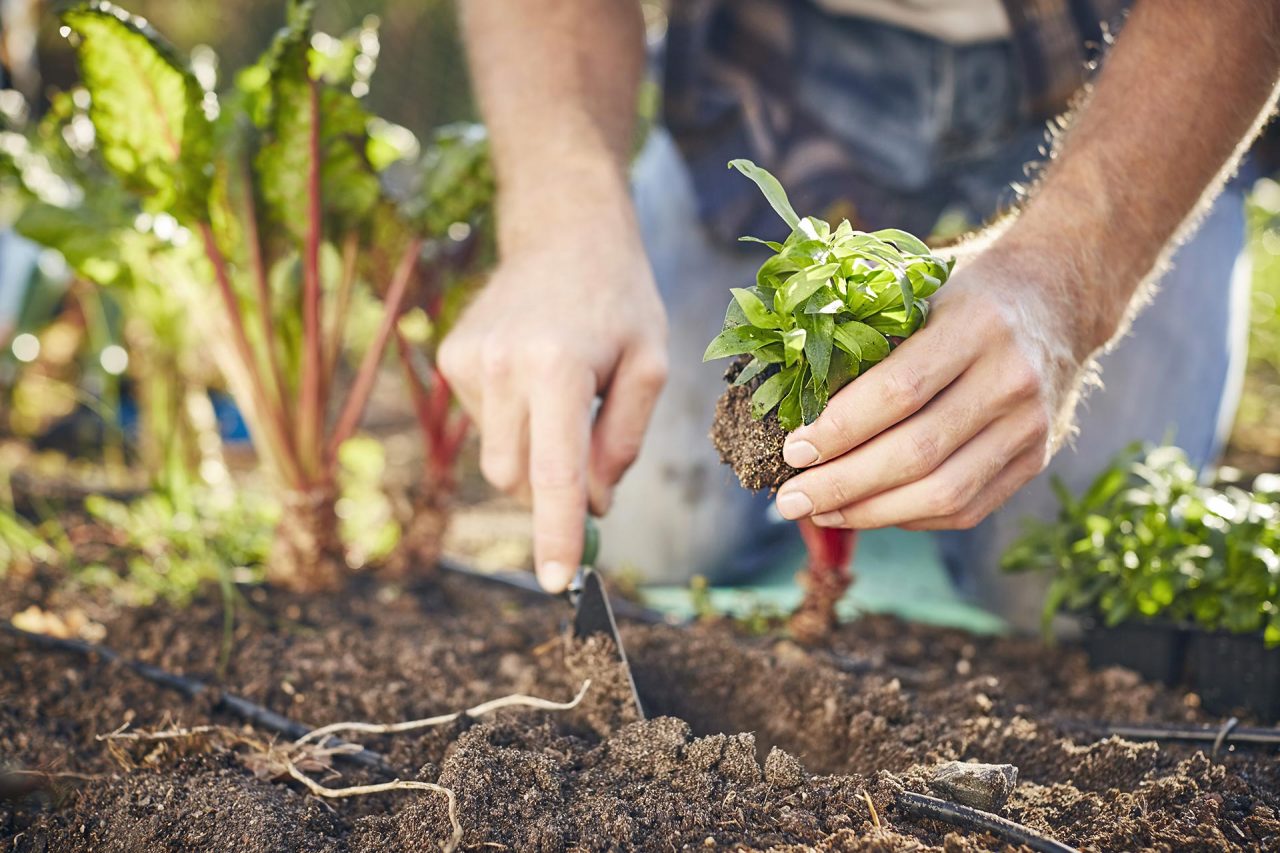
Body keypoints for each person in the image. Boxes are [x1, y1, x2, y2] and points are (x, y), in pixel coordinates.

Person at [440, 0, 1280, 629]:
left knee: (1063, 598)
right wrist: (562, 215)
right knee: (657, 537)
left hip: (1132, 70)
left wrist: (1074, 275)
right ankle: (848, 533)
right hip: (768, 74)